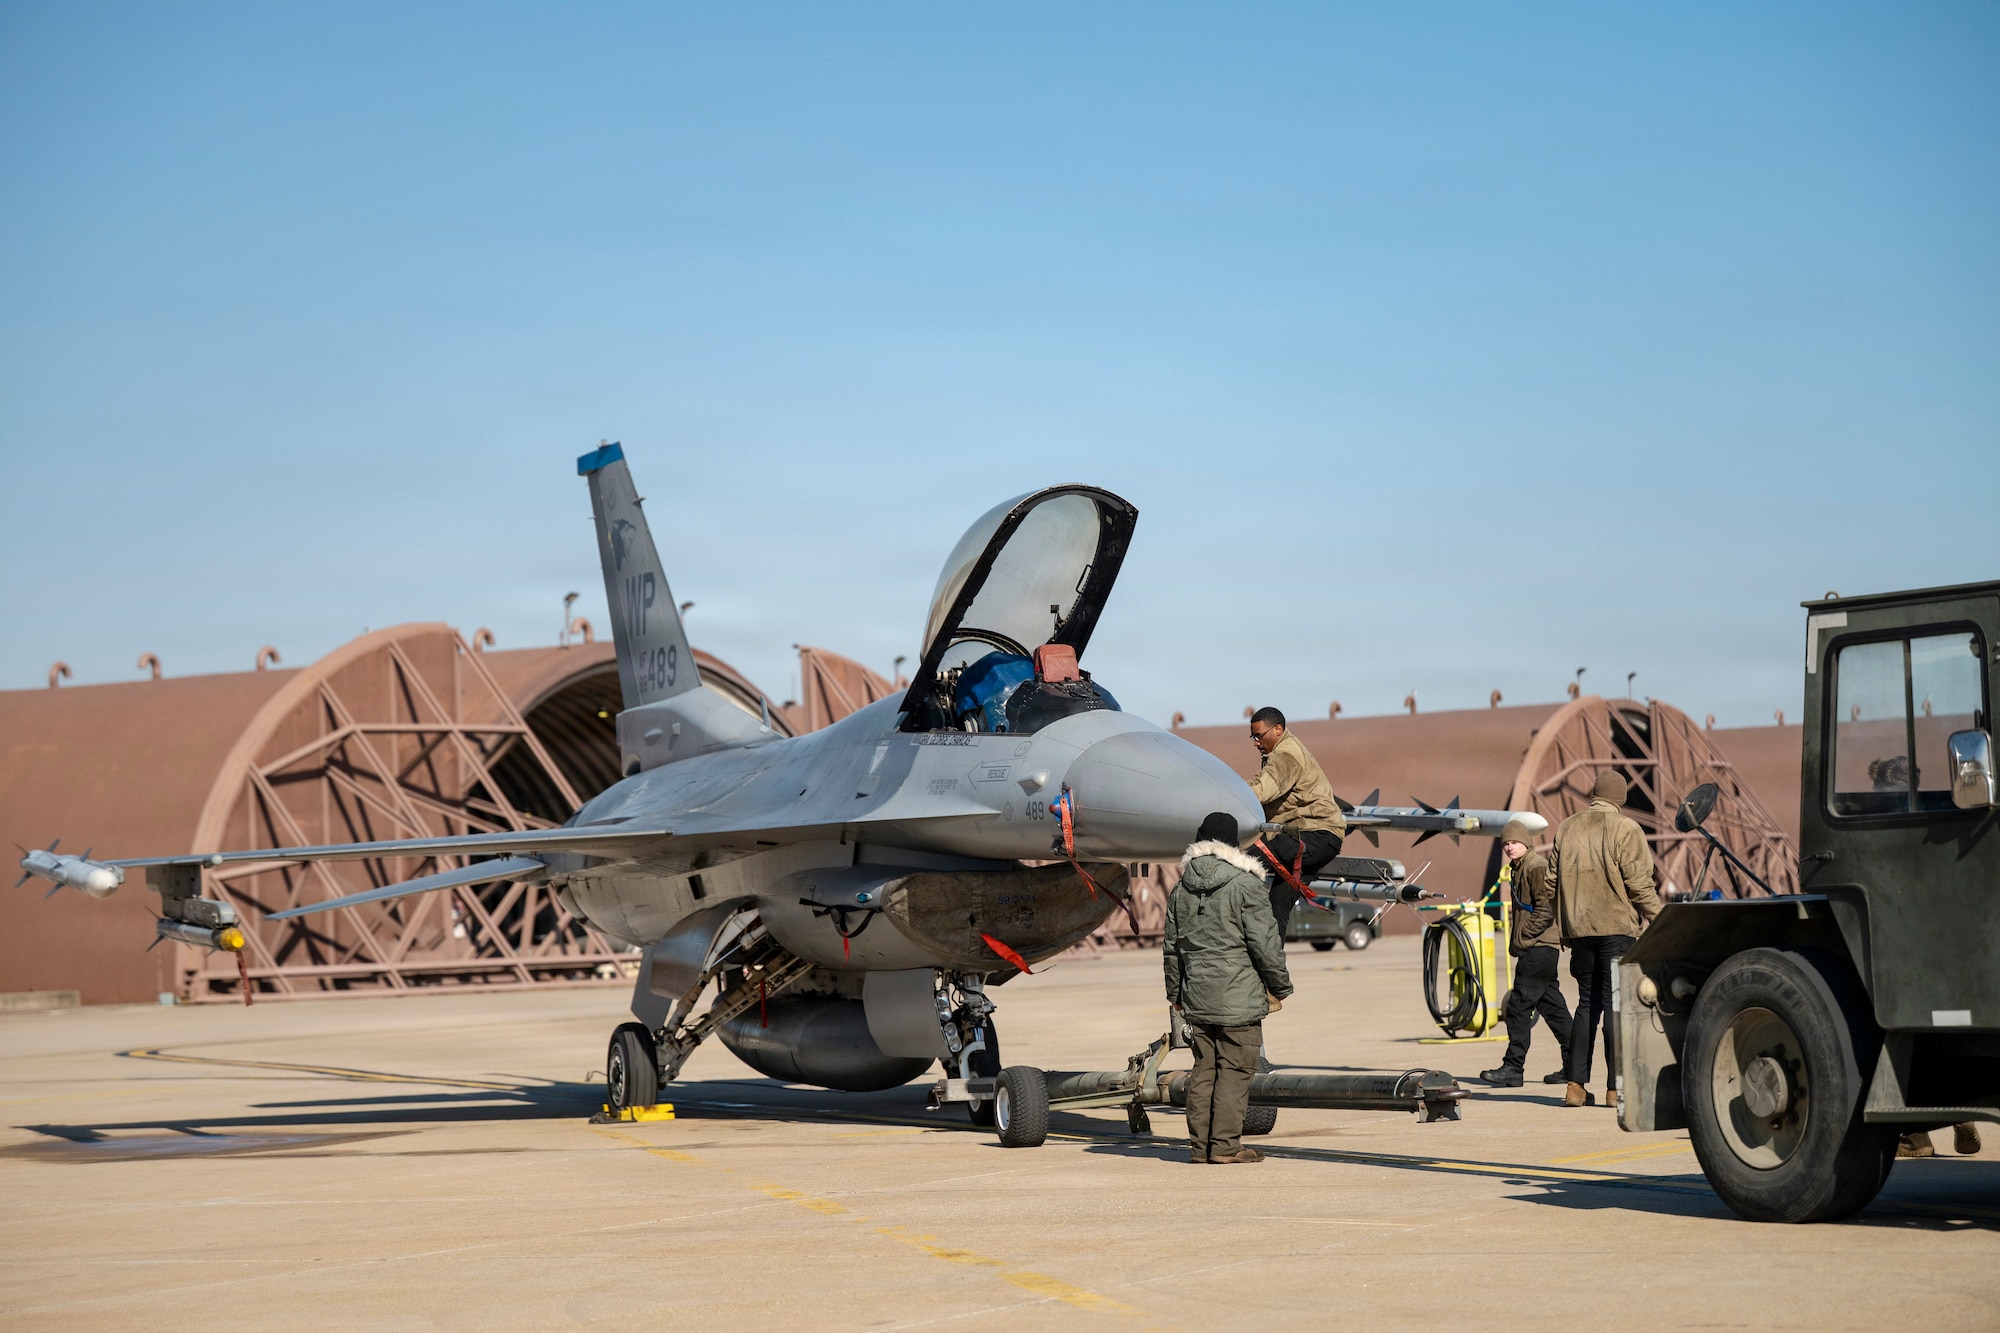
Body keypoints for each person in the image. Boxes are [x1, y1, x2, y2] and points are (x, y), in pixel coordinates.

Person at [1163, 811, 1294, 1165]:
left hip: (1197, 998)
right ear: (1233, 844)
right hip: (1239, 998)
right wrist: (1280, 986)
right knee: (1235, 1072)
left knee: (1205, 1071)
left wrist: (1175, 995)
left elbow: (1172, 948)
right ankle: (1224, 1147)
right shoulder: (1246, 884)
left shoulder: (1181, 889)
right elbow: (1265, 944)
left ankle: (1199, 1148)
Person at [1551, 771, 1661, 1109]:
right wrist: (1659, 918)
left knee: (1586, 1006)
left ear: (1594, 794)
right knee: (1616, 1010)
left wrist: (1565, 923)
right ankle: (1615, 1090)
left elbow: (1551, 881)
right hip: (1617, 930)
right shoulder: (1626, 828)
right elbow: (1639, 881)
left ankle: (1575, 1086)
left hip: (1580, 932)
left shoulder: (1566, 827)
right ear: (1621, 797)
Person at [1480, 821, 1573, 1088]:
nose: (1510, 847)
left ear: (1526, 843)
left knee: (1518, 1006)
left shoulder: (1536, 867)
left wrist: (1525, 937)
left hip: (1539, 948)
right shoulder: (1519, 868)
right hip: (1540, 948)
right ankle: (1574, 1067)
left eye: (1514, 842)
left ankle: (1513, 1067)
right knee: (1553, 1009)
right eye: (1506, 844)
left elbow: (1545, 910)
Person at [1245, 707, 1348, 934]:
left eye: (1259, 736)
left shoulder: (1286, 756)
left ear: (1278, 730)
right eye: (1253, 737)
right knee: (1277, 906)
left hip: (1316, 836)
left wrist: (1227, 794)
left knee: (1244, 859)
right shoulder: (1278, 755)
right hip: (1313, 838)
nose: (1255, 742)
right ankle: (1272, 967)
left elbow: (1263, 789)